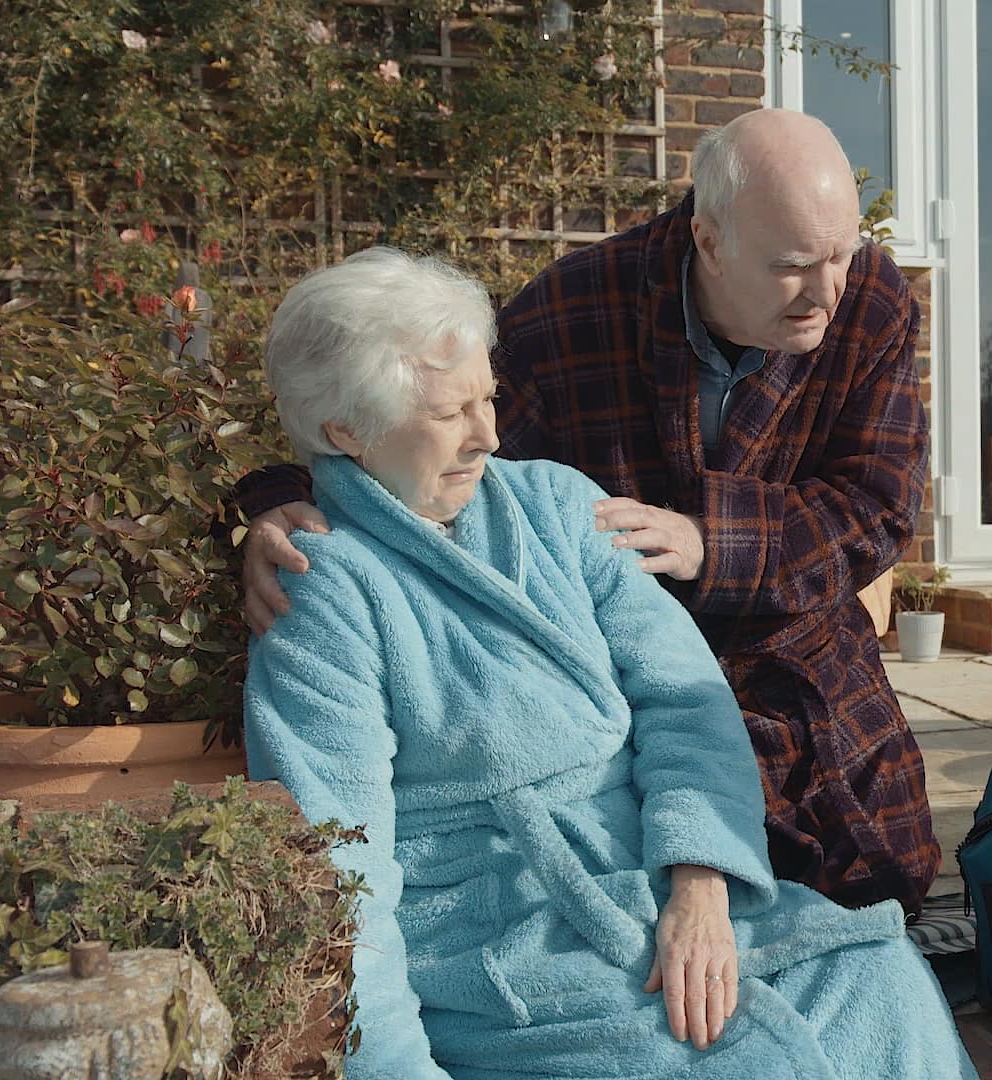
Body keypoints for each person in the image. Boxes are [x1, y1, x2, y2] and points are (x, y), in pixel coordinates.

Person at [242, 248, 977, 1079]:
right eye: (452, 413)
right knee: (736, 1064)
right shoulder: (323, 591)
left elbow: (684, 701)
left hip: (656, 880)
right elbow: (340, 864)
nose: (489, 433)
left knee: (882, 981)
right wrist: (393, 1067)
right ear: (347, 431)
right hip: (497, 944)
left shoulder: (553, 504)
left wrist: (700, 885)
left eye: (488, 397)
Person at [234, 109, 940, 914]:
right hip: (620, 670)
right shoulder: (570, 310)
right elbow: (417, 426)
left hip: (802, 656)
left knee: (887, 889)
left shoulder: (873, 301)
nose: (826, 292)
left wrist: (713, 541)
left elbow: (878, 507)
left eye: (841, 256)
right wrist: (281, 502)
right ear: (709, 240)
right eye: (792, 265)